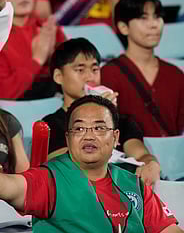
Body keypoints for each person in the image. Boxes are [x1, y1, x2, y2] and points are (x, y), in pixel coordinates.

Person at [0, 95, 184, 233]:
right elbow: (4, 184)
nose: (89, 136)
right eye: (80, 128)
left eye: (99, 128)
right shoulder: (50, 179)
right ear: (68, 137)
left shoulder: (133, 185)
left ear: (116, 137)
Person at [43, 38, 160, 185]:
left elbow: (141, 155)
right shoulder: (50, 124)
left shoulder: (123, 121)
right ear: (58, 76)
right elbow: (65, 165)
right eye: (80, 70)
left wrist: (151, 164)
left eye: (95, 69)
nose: (89, 77)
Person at [101, 0, 184, 137]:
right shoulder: (109, 74)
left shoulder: (175, 74)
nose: (154, 25)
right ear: (123, 27)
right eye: (143, 18)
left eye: (157, 17)